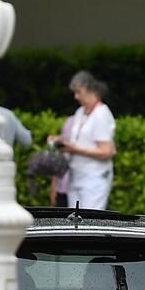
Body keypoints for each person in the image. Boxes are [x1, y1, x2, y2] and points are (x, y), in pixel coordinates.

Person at [50, 70, 116, 210]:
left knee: (90, 220)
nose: (76, 96)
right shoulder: (80, 112)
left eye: (78, 92)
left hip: (94, 178)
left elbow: (107, 151)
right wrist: (60, 141)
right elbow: (79, 140)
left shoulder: (101, 114)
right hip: (76, 175)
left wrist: (75, 150)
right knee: (75, 221)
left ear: (89, 90)